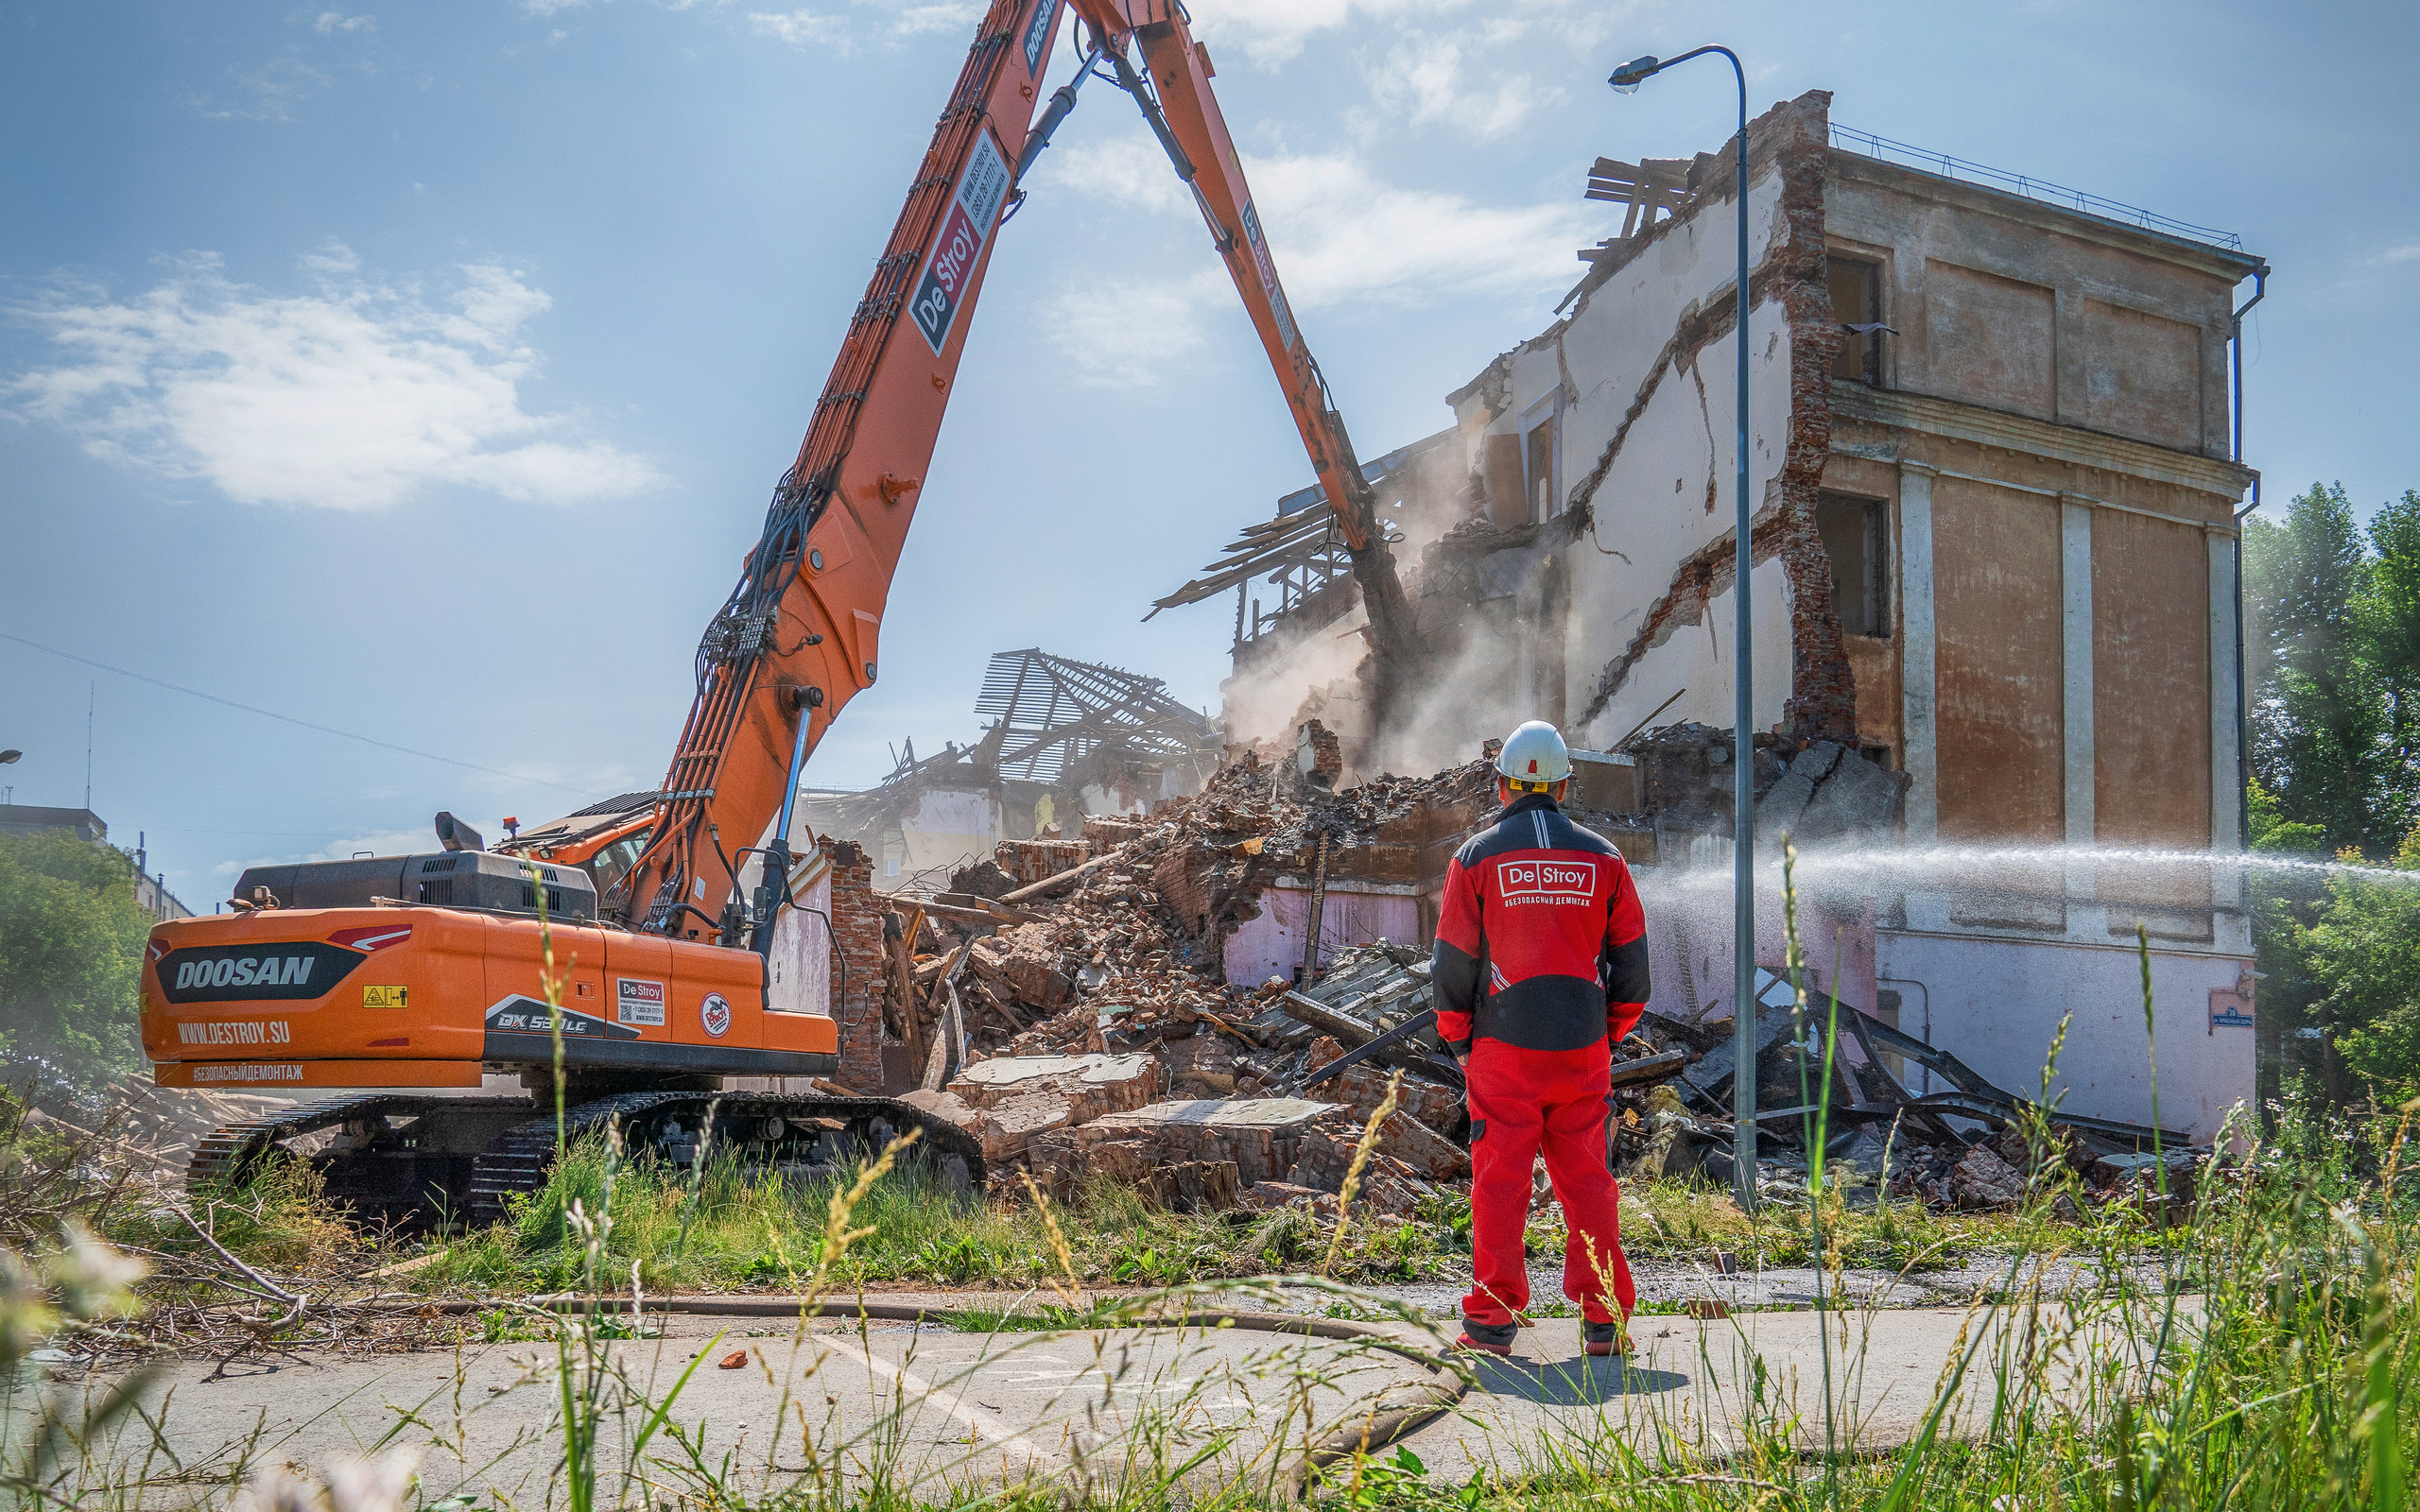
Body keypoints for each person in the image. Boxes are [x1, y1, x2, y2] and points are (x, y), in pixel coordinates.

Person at [1431, 720, 1650, 1358]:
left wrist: (1460, 1040)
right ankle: (1604, 1321)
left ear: (1502, 785)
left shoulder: (1474, 857)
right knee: (1587, 1182)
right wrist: (1606, 1035)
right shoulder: (1605, 858)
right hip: (1582, 1048)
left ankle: (1492, 1323)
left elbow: (1452, 962)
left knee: (1500, 1182)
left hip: (1503, 1049)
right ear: (1562, 786)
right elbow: (1633, 969)